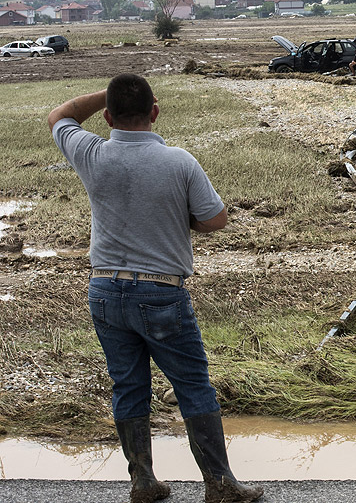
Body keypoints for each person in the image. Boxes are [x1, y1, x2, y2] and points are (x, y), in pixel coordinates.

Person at [48, 74, 263, 503]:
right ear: (156, 112)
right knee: (192, 385)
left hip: (105, 290)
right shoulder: (179, 161)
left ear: (107, 116)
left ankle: (143, 482)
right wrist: (178, 218)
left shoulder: (91, 153)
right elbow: (215, 219)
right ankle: (219, 484)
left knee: (127, 386)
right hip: (161, 292)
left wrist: (107, 92)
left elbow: (60, 115)